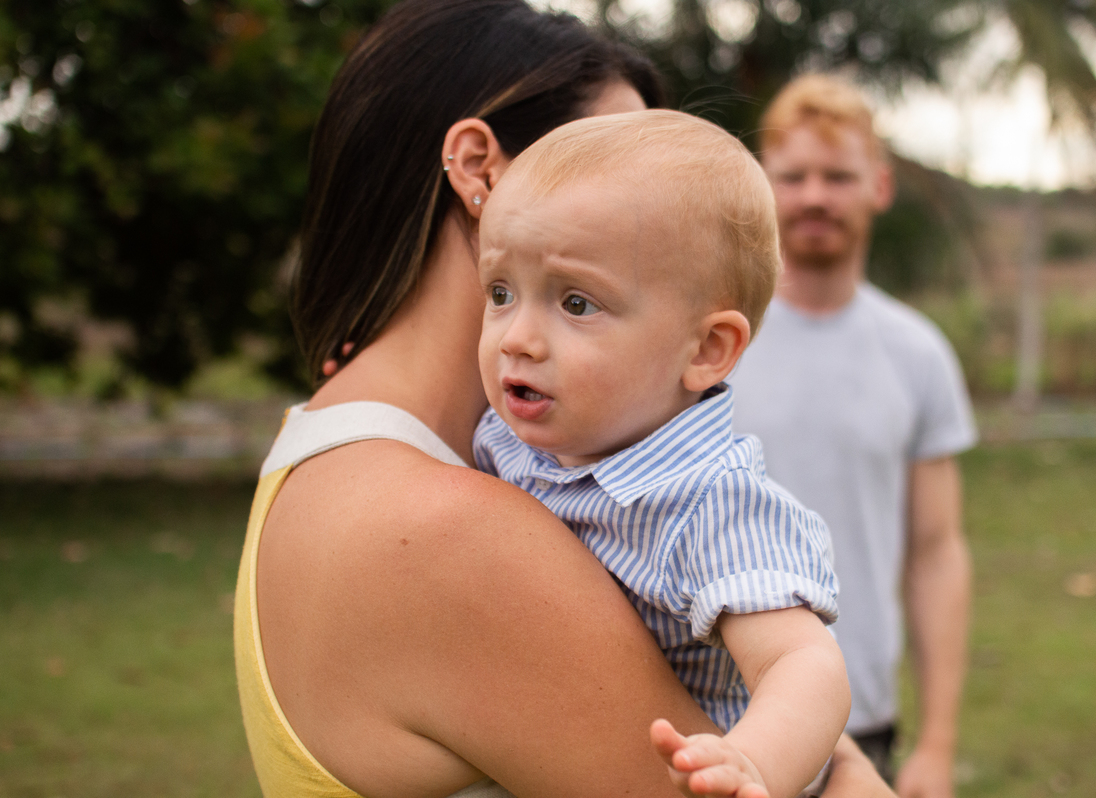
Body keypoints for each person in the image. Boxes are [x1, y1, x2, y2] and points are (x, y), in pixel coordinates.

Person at [234, 3, 897, 796]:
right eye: (607, 159)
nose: (649, 198)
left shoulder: (332, 446)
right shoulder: (447, 533)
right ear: (481, 169)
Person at [472, 110, 847, 798]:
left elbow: (805, 664)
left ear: (706, 351)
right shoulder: (511, 435)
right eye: (500, 292)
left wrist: (755, 762)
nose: (516, 338)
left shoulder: (713, 504)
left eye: (577, 303)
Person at [730, 75, 977, 798]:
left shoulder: (918, 352)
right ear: (763, 185)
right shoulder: (708, 341)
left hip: (861, 719)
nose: (814, 196)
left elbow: (936, 553)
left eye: (837, 176)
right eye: (794, 175)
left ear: (879, 185)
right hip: (713, 709)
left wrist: (937, 742)